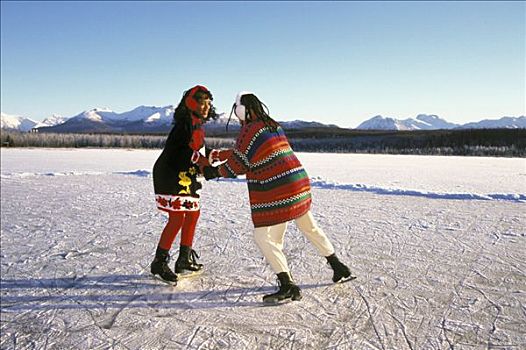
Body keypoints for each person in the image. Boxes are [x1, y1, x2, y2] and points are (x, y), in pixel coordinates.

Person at [202, 92, 355, 303]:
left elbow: (239, 163)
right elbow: (247, 152)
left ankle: (288, 285)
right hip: (298, 184)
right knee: (309, 227)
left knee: (263, 237)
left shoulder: (250, 129)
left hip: (278, 189)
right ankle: (339, 266)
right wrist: (216, 155)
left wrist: (214, 172)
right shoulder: (272, 125)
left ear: (241, 110)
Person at [150, 85, 219, 284]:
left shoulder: (196, 125)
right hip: (171, 173)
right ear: (191, 103)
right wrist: (204, 164)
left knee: (193, 213)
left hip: (183, 173)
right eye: (202, 102)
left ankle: (184, 258)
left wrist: (215, 157)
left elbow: (200, 150)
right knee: (177, 218)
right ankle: (159, 262)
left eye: (208, 103)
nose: (206, 107)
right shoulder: (185, 125)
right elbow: (183, 153)